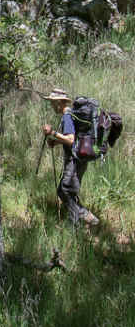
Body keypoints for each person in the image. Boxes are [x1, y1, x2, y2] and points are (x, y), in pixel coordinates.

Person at [42, 88, 99, 226]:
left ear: (60, 103)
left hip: (75, 159)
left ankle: (76, 224)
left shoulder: (67, 116)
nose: (51, 105)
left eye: (53, 102)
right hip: (77, 158)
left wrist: (53, 133)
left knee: (66, 190)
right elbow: (70, 137)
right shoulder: (70, 115)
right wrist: (55, 142)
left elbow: (70, 140)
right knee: (65, 190)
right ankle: (86, 217)